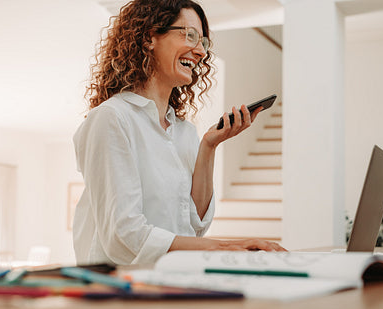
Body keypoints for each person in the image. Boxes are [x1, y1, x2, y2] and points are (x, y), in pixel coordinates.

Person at [72, 0, 286, 266]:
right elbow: (124, 236)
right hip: (118, 291)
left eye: (204, 42)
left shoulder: (185, 132)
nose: (199, 51)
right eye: (190, 35)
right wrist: (225, 246)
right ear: (150, 37)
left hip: (172, 280)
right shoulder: (112, 118)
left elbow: (192, 228)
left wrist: (208, 146)